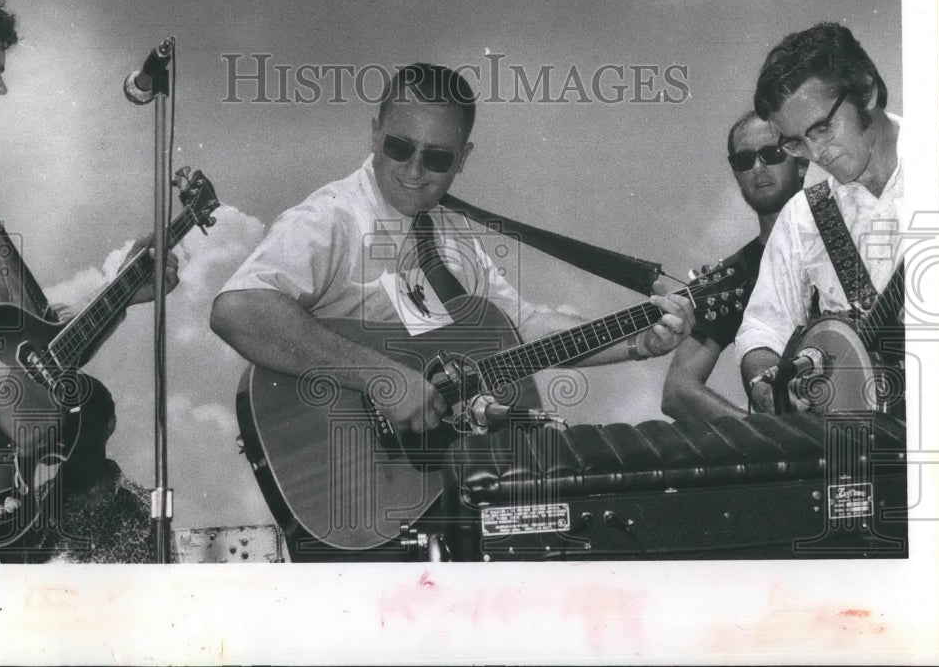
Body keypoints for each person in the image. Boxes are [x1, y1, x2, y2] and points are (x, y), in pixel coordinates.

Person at [210, 63, 696, 558]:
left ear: (463, 158)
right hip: (346, 489)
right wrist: (385, 378)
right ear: (374, 132)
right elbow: (239, 308)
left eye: (437, 158)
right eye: (399, 147)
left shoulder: (446, 233)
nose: (415, 171)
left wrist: (638, 340)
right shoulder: (331, 217)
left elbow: (523, 328)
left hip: (431, 503)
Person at [0, 0, 180, 562]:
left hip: (0, 491)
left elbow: (36, 346)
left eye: (0, 68)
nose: (1, 84)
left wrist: (122, 289)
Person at [734, 23, 903, 415]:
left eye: (822, 128)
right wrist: (767, 385)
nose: (814, 152)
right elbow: (763, 329)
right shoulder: (805, 215)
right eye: (795, 142)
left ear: (867, 91)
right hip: (861, 446)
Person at [661, 112, 808, 422]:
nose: (757, 168)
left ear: (802, 161)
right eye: (744, 161)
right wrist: (763, 434)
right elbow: (678, 391)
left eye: (771, 154)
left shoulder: (849, 232)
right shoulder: (731, 278)